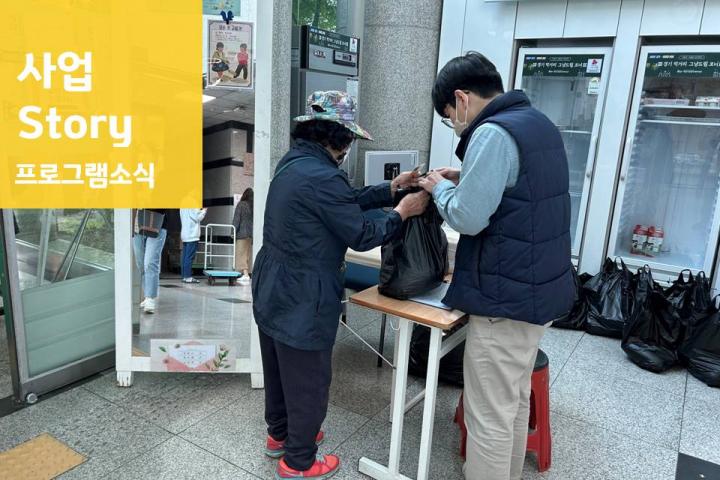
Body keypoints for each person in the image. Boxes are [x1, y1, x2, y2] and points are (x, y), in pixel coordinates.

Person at [253, 91, 428, 479]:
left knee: (279, 369)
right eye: (348, 139)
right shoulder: (323, 175)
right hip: (304, 294)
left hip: (272, 284)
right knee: (309, 379)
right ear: (339, 137)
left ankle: (280, 435)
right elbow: (362, 234)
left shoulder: (294, 162)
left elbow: (340, 200)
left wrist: (390, 189)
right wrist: (402, 212)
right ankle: (299, 461)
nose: (348, 148)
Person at [419, 52, 574, 480]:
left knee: (488, 415)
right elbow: (519, 188)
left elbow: (468, 217)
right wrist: (465, 175)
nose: (454, 124)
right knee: (514, 400)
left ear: (461, 98)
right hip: (539, 289)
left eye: (449, 116)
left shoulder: (491, 132)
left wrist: (438, 188)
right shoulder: (537, 123)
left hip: (504, 298)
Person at [133, 209, 169, 314]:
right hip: (137, 225)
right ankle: (147, 295)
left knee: (150, 262)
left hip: (157, 223)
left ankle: (150, 298)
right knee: (140, 264)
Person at [179, 207, 207, 284]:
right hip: (192, 234)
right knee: (189, 257)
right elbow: (197, 218)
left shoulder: (182, 205)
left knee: (185, 257)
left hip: (185, 234)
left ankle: (184, 276)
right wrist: (204, 211)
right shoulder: (193, 204)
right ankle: (188, 277)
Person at [232, 188, 253, 285]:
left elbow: (237, 219)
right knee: (247, 254)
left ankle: (245, 274)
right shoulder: (253, 206)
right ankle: (245, 274)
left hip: (241, 234)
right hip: (250, 234)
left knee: (241, 254)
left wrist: (232, 232)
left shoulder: (241, 205)